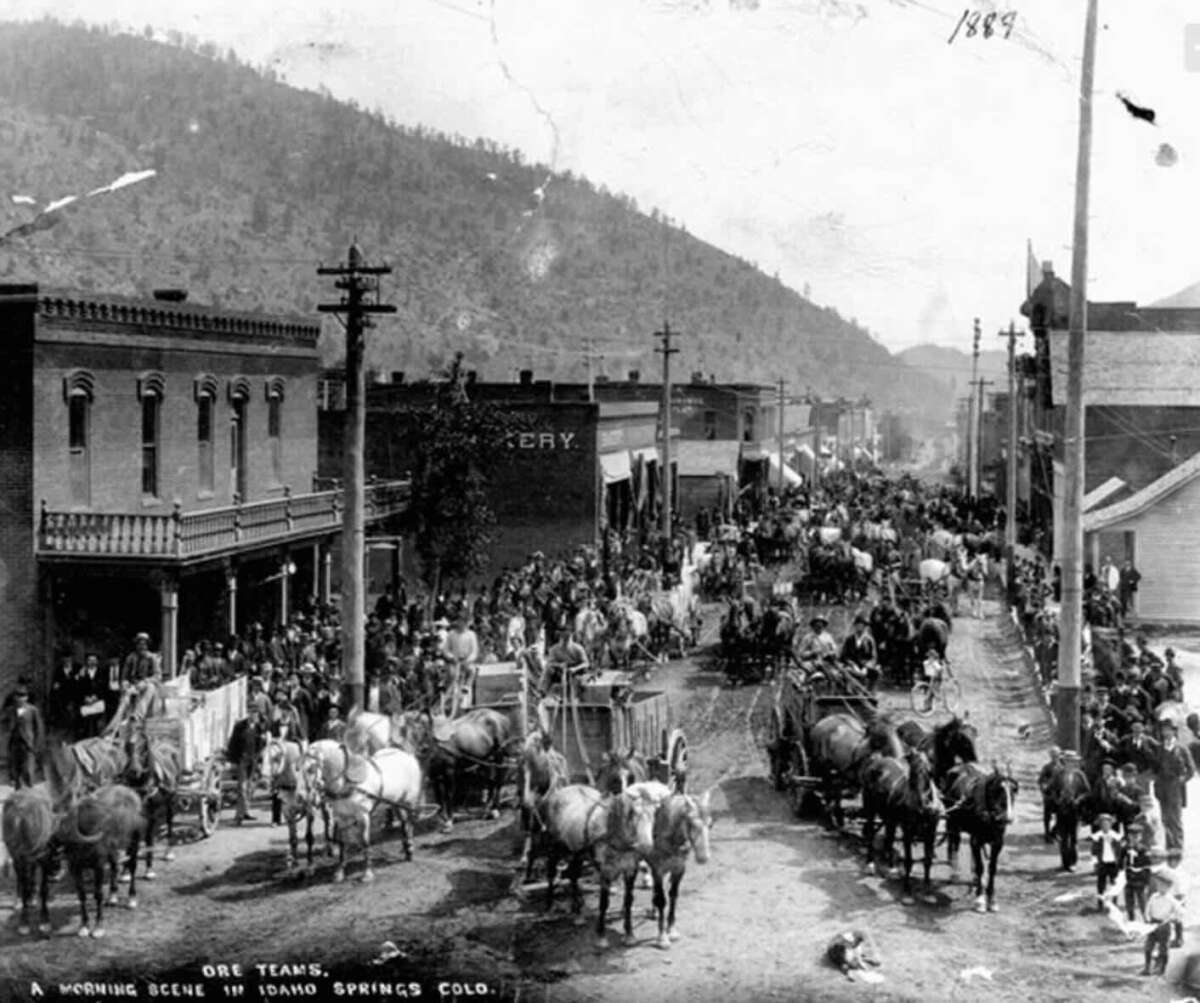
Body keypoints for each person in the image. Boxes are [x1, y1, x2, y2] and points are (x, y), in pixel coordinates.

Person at [1154, 718, 1195, 852]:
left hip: (1175, 786)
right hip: (1162, 785)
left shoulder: (1181, 748)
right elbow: (1156, 767)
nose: (1166, 733)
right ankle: (1169, 844)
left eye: (1168, 730)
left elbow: (1191, 769)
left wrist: (1182, 780)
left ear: (1174, 731)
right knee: (1165, 817)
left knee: (1175, 818)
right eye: (1163, 730)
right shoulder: (1159, 748)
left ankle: (1178, 846)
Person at [226, 708, 265, 825]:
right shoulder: (239, 726)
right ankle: (239, 816)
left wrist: (260, 758)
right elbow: (232, 743)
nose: (254, 716)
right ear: (248, 714)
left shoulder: (258, 727)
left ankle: (246, 812)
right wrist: (232, 760)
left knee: (249, 787)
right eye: (252, 713)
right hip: (241, 760)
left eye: (256, 714)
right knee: (242, 788)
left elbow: (260, 744)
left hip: (253, 760)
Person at [1143, 870, 1185, 976]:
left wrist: (1173, 918)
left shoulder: (1171, 900)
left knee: (1163, 949)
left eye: (1163, 885)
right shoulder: (1153, 897)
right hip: (1152, 924)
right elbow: (1148, 908)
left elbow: (1180, 912)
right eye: (1158, 884)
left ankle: (1162, 969)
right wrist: (1147, 918)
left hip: (1164, 926)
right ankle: (1147, 967)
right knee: (1148, 947)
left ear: (1169, 887)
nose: (1160, 887)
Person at [4, 683, 44, 789]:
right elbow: (4, 724)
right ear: (14, 697)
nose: (20, 699)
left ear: (26, 698)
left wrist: (36, 745)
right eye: (18, 696)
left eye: (23, 696)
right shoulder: (10, 710)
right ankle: (18, 794)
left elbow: (39, 729)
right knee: (16, 772)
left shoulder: (32, 710)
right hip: (14, 744)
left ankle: (30, 794)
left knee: (28, 771)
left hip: (28, 745)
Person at [1091, 813, 1124, 913]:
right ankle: (1100, 904)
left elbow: (1119, 851)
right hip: (1102, 863)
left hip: (1113, 863)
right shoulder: (1097, 837)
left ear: (1110, 825)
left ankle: (1114, 903)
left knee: (1114, 883)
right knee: (1101, 884)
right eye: (1103, 824)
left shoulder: (1115, 836)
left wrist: (1120, 863)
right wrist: (1095, 863)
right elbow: (1094, 852)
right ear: (1100, 826)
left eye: (1107, 824)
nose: (1105, 826)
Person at [840, 615, 879, 691]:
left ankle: (869, 692)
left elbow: (873, 657)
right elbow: (844, 656)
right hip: (852, 666)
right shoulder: (849, 639)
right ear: (855, 626)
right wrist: (853, 665)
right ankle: (850, 691)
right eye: (858, 625)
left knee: (876, 672)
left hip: (865, 667)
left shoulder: (869, 640)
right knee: (846, 672)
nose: (860, 628)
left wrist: (866, 667)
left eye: (862, 626)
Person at [1123, 822, 1152, 923]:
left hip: (1140, 879)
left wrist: (1147, 881)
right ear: (1128, 836)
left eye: (1137, 836)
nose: (1134, 839)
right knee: (1129, 903)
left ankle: (1146, 920)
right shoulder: (1125, 848)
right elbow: (1120, 862)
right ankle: (1131, 921)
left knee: (1142, 902)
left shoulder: (1143, 849)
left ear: (1140, 837)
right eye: (1132, 836)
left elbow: (1147, 865)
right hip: (1128, 879)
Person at [76, 653, 107, 739]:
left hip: (98, 701)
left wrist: (96, 697)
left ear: (97, 662)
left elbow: (104, 687)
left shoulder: (102, 672)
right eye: (90, 660)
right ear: (86, 662)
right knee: (85, 724)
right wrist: (85, 698)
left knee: (97, 724)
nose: (92, 662)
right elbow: (78, 688)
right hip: (85, 702)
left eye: (94, 660)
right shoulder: (82, 672)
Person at [1038, 746, 1062, 843]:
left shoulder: (1062, 767)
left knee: (1061, 815)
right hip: (1049, 794)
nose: (1054, 756)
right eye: (1052, 754)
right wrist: (1044, 789)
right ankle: (1047, 834)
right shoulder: (1047, 767)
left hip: (1060, 794)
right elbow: (1041, 780)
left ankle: (1054, 832)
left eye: (1056, 754)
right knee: (1047, 815)